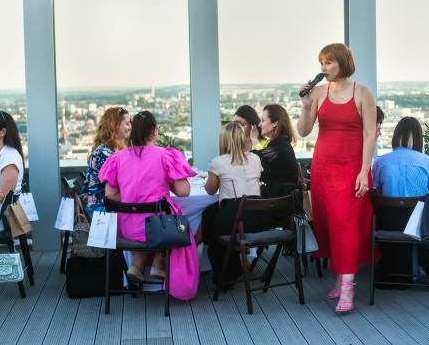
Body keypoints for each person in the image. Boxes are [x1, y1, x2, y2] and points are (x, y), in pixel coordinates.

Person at [297, 43, 377, 312]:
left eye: (329, 62)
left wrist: (364, 171)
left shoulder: (363, 92)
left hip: (352, 168)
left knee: (346, 224)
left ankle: (348, 288)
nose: (323, 67)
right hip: (323, 167)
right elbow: (304, 131)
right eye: (321, 62)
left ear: (343, 62)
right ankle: (341, 279)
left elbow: (370, 134)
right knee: (330, 223)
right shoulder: (319, 92)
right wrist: (306, 106)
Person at [99, 111, 199, 300]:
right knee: (173, 222)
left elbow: (110, 195)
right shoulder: (165, 155)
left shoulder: (117, 158)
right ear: (154, 131)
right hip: (161, 228)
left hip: (127, 229)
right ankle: (159, 262)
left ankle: (139, 263)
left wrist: (133, 200)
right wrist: (171, 180)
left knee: (152, 222)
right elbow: (183, 192)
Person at [372, 117, 429, 290]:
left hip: (389, 224)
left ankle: (396, 274)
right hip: (420, 225)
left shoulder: (380, 162)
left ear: (396, 135)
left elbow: (377, 193)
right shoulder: (428, 162)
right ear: (418, 138)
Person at [200, 122, 264, 286]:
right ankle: (241, 262)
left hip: (236, 220)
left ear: (223, 140)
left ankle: (190, 254)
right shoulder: (255, 158)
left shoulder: (218, 162)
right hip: (258, 218)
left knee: (208, 216)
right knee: (210, 214)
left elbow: (210, 191)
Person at [80, 107, 131, 218]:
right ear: (115, 125)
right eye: (127, 124)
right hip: (99, 206)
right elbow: (123, 181)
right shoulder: (103, 153)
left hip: (108, 204)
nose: (130, 127)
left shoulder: (112, 149)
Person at [252, 104, 299, 202]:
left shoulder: (279, 148)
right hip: (281, 200)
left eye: (263, 120)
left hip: (279, 203)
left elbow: (254, 156)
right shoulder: (280, 144)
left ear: (275, 123)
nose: (260, 125)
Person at [0, 110, 24, 231]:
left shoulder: (10, 158)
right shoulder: (4, 155)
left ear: (2, 132)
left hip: (2, 218)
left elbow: (4, 196)